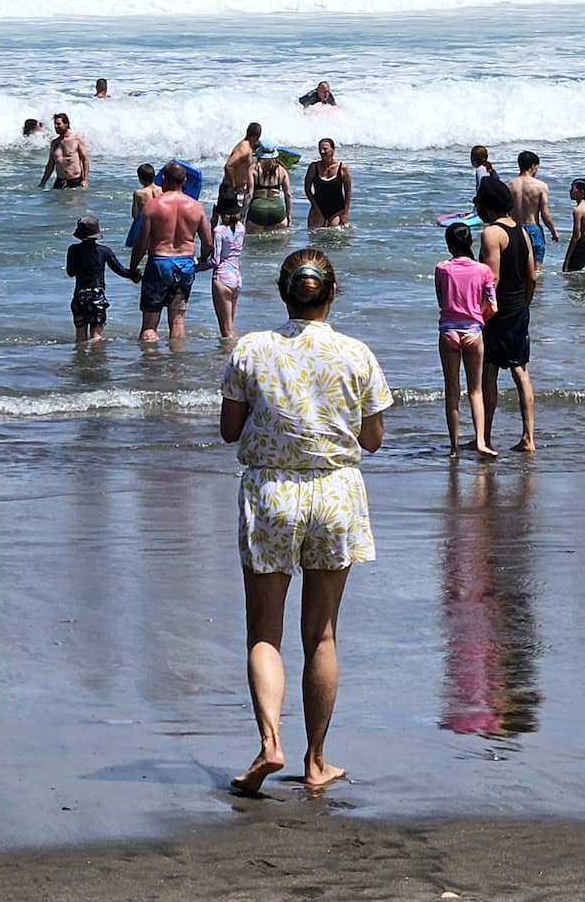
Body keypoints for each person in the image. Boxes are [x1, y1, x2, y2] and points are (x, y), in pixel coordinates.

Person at [220, 249, 392, 794]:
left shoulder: (252, 348)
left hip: (271, 492)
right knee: (321, 634)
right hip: (335, 492)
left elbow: (229, 429)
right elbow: (372, 439)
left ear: (282, 293)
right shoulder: (356, 353)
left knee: (263, 632)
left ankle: (270, 741)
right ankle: (316, 761)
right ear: (332, 293)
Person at [475, 176, 537, 451]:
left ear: (487, 205)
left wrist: (480, 313)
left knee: (488, 374)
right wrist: (525, 304)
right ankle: (528, 437)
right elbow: (532, 275)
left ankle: (485, 437)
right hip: (519, 309)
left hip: (497, 314)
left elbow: (493, 279)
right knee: (521, 372)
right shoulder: (522, 231)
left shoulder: (491, 233)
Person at [130, 160, 213, 342]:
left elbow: (142, 243)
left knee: (149, 325)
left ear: (164, 179)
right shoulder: (196, 207)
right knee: (177, 321)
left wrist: (133, 267)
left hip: (159, 263)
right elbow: (208, 242)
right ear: (185, 181)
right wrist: (202, 259)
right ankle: (177, 358)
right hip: (185, 264)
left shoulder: (153, 206)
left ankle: (150, 359)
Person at [435, 221, 497, 458]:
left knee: (452, 390)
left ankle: (454, 447)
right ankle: (481, 441)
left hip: (449, 331)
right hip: (473, 331)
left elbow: (441, 300)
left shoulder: (442, 268)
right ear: (471, 242)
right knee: (476, 390)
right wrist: (479, 319)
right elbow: (492, 305)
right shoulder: (483, 270)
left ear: (449, 244)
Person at [65, 215, 138, 341]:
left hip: (80, 295)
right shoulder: (104, 251)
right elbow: (120, 270)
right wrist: (135, 274)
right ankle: (96, 353)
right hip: (97, 296)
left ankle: (80, 353)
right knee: (96, 336)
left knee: (80, 336)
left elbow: (70, 273)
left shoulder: (73, 249)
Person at [508, 152, 559, 267]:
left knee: (516, 266)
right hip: (533, 229)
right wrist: (553, 231)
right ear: (533, 166)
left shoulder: (509, 185)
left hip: (515, 229)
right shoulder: (540, 186)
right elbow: (545, 213)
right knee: (536, 267)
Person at [211, 188, 246, 337]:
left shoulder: (219, 231)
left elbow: (216, 260)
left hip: (222, 278)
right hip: (236, 278)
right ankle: (232, 349)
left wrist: (197, 265)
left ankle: (229, 351)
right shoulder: (241, 228)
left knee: (226, 331)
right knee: (230, 326)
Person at [305, 139, 352, 229]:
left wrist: (345, 213)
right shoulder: (313, 167)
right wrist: (316, 208)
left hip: (337, 210)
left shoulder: (342, 168)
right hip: (317, 208)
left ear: (333, 150)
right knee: (314, 235)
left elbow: (348, 192)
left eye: (325, 149)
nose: (322, 152)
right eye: (320, 149)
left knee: (335, 235)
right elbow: (307, 189)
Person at [38, 113, 90, 191]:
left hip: (75, 180)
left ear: (66, 124)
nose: (56, 126)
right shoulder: (54, 143)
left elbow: (85, 160)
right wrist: (43, 182)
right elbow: (50, 165)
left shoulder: (77, 139)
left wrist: (85, 179)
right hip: (60, 181)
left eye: (58, 124)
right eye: (54, 124)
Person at [247, 153, 293, 232]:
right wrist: (288, 215)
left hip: (258, 210)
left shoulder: (253, 169)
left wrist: (243, 214)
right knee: (275, 239)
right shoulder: (282, 170)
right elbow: (288, 194)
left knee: (255, 239)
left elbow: (249, 194)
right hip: (277, 210)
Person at [225, 122, 263, 210]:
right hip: (231, 191)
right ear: (257, 136)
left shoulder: (249, 147)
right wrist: (234, 186)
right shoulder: (244, 149)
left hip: (238, 191)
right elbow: (228, 166)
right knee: (231, 218)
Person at [126, 162, 161, 247]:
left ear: (140, 179)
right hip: (158, 223)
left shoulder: (139, 193)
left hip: (143, 224)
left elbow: (135, 215)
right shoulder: (161, 190)